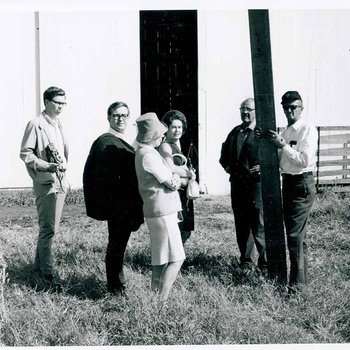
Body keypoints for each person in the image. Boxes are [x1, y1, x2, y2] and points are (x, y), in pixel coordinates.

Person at [83, 101, 144, 295]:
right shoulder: (106, 142)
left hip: (124, 205)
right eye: (116, 115)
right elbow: (102, 177)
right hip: (117, 205)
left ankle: (116, 285)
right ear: (109, 117)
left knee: (118, 245)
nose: (120, 119)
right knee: (116, 246)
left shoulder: (121, 142)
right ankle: (115, 288)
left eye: (124, 115)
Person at [265, 91, 317, 292]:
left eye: (293, 107)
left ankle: (296, 287)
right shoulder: (285, 132)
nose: (289, 111)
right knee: (296, 236)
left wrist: (283, 145)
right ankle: (301, 280)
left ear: (301, 108)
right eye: (285, 107)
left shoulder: (307, 130)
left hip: (301, 183)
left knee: (295, 236)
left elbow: (303, 161)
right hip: (287, 183)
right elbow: (281, 161)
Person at [20, 86, 69, 282]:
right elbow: (25, 153)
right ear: (46, 102)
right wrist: (45, 166)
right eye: (57, 103)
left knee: (50, 228)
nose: (60, 107)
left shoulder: (58, 124)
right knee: (48, 229)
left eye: (63, 103)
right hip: (46, 182)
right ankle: (47, 274)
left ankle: (38, 269)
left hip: (61, 181)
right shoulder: (36, 124)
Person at [134, 112, 185, 302]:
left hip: (156, 211)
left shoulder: (143, 153)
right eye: (160, 134)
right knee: (177, 258)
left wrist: (173, 177)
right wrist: (178, 178)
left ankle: (154, 298)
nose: (162, 136)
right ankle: (161, 300)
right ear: (153, 136)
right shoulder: (148, 155)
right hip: (163, 211)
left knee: (160, 259)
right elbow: (170, 181)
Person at [219, 98, 267, 275]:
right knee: (242, 223)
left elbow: (273, 155)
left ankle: (265, 263)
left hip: (256, 186)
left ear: (256, 112)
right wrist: (228, 167)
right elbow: (223, 155)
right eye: (242, 109)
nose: (245, 112)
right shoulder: (235, 132)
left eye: (249, 109)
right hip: (238, 186)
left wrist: (264, 166)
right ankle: (246, 261)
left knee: (259, 223)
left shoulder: (261, 132)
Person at [158, 110, 196, 244]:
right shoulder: (165, 146)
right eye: (173, 127)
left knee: (184, 230)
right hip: (175, 194)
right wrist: (190, 174)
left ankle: (177, 261)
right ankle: (174, 261)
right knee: (178, 229)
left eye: (179, 127)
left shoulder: (175, 145)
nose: (177, 130)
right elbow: (171, 168)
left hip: (182, 194)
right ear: (166, 128)